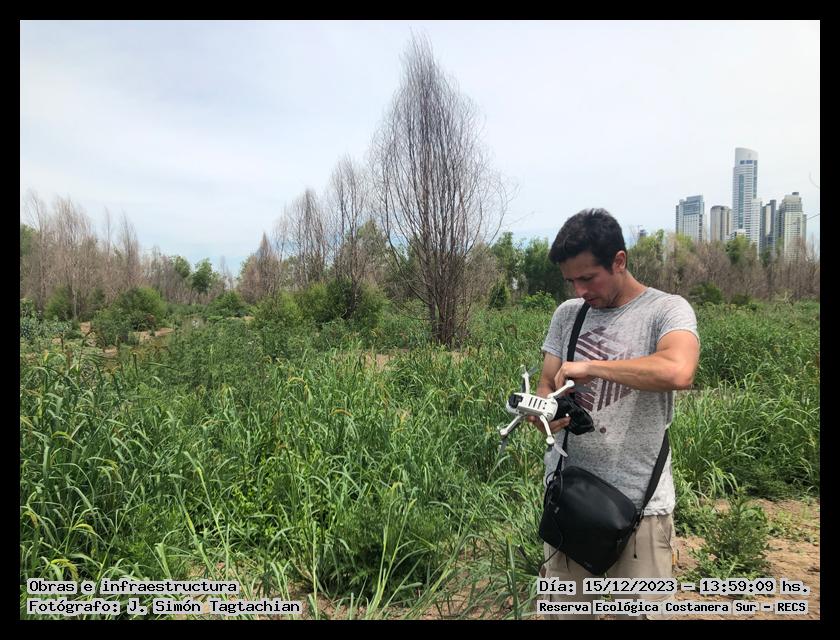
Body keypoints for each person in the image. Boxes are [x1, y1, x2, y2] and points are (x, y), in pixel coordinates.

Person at [530, 208, 700, 620]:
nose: (580, 289)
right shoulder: (568, 314)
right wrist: (545, 411)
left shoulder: (667, 310)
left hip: (641, 504)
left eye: (588, 278)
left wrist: (595, 367)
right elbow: (547, 382)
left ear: (619, 261)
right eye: (571, 281)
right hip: (570, 497)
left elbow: (678, 370)